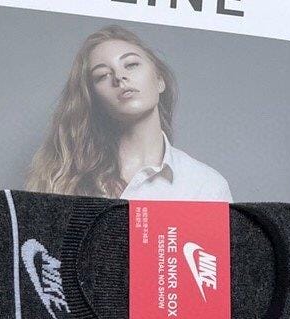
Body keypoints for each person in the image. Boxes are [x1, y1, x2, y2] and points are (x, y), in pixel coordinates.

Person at [27, 25, 232, 201]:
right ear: (94, 100)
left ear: (160, 81)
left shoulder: (205, 185)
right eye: (102, 75)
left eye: (131, 64)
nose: (119, 76)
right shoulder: (64, 181)